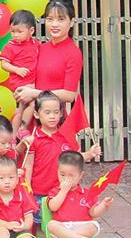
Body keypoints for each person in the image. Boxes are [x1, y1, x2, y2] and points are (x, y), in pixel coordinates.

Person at [23, 91, 101, 222]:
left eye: (56, 112)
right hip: (39, 192)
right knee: (39, 224)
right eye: (47, 112)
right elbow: (28, 165)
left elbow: (74, 159)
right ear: (36, 114)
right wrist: (27, 188)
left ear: (61, 113)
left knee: (61, 221)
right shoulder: (33, 138)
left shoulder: (66, 135)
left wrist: (89, 154)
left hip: (63, 190)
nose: (52, 116)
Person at [14, 0, 84, 126]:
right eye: (50, 19)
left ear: (71, 22)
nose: (54, 24)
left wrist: (34, 93)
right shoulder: (40, 48)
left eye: (61, 19)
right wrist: (25, 89)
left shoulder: (73, 53)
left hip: (54, 121)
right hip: (32, 117)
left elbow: (69, 95)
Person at [46, 151, 114, 238]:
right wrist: (63, 191)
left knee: (94, 226)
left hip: (81, 225)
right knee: (51, 225)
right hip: (63, 225)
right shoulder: (55, 191)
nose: (66, 179)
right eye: (62, 175)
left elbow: (93, 213)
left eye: (71, 176)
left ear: (80, 175)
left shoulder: (87, 193)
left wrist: (104, 205)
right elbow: (53, 207)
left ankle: (65, 237)